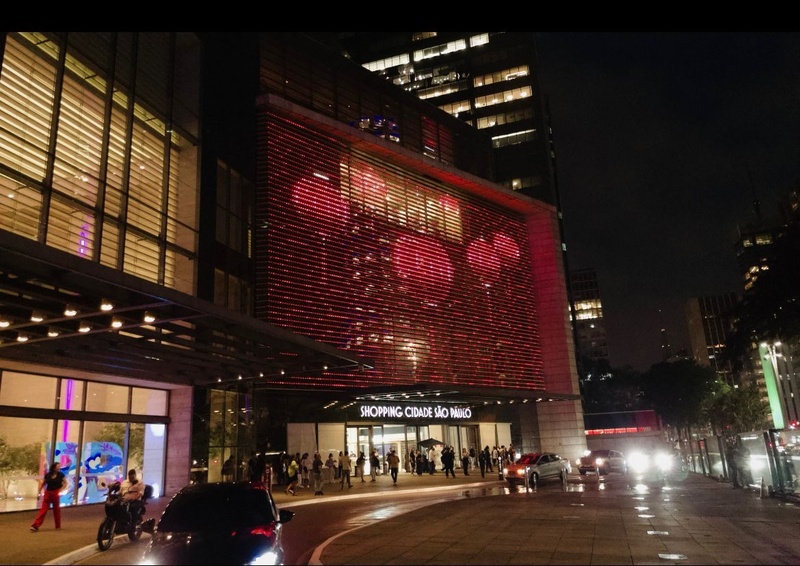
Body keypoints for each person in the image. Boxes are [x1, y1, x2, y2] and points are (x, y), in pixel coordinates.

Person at [30, 462, 66, 532]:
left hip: (56, 492)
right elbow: (43, 483)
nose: (59, 467)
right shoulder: (48, 475)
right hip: (48, 493)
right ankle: (35, 525)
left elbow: (65, 483)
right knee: (43, 510)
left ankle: (58, 525)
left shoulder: (61, 475)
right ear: (54, 467)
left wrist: (60, 490)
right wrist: (39, 493)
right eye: (58, 466)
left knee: (56, 510)